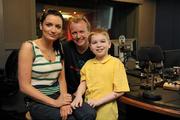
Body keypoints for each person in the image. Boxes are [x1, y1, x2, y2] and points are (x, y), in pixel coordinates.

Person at [18, 9, 75, 120]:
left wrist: (63, 101)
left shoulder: (60, 48)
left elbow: (62, 79)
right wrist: (56, 103)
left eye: (58, 27)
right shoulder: (28, 47)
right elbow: (24, 86)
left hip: (57, 95)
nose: (53, 30)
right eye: (49, 25)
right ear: (41, 26)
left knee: (87, 113)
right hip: (36, 100)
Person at [71, 28, 130, 120]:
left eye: (102, 41)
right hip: (88, 110)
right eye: (94, 43)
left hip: (107, 113)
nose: (99, 45)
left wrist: (98, 102)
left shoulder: (116, 63)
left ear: (109, 44)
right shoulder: (88, 64)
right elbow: (83, 83)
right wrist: (78, 96)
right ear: (90, 47)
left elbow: (119, 91)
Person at [62, 16, 96, 119]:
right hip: (70, 95)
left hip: (91, 95)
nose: (78, 36)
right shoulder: (65, 47)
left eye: (82, 32)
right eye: (74, 33)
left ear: (89, 32)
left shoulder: (96, 48)